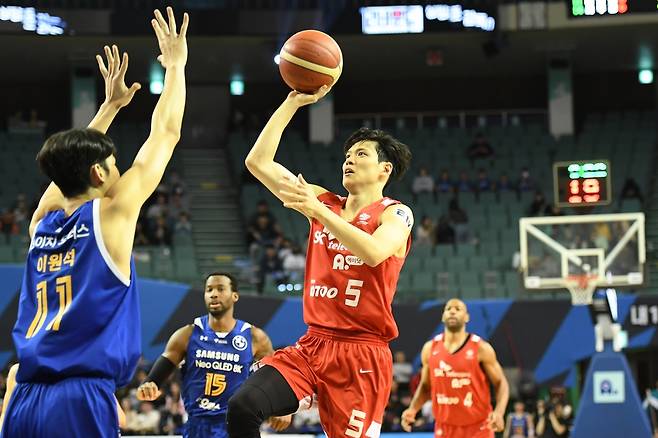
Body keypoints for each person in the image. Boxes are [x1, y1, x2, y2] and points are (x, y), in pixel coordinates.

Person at [1, 8, 188, 438]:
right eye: (113, 162)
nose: (120, 169)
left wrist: (109, 107)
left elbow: (62, 174)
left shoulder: (40, 226)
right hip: (79, 397)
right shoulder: (112, 215)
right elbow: (166, 134)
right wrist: (175, 65)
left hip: (25, 397)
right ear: (99, 175)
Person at [230, 85, 413, 438]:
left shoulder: (396, 213)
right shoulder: (323, 202)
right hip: (313, 345)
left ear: (384, 170)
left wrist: (317, 212)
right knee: (243, 406)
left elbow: (374, 252)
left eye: (360, 154)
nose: (349, 159)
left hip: (362, 355)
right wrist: (291, 102)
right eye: (347, 154)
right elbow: (257, 163)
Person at [136, 273, 291, 437]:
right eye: (209, 289)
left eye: (220, 289)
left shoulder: (254, 337)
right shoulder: (187, 334)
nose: (214, 294)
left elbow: (276, 374)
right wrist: (149, 383)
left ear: (235, 296)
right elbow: (164, 365)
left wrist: (284, 407)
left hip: (238, 424)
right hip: (198, 426)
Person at [401, 299, 509, 438]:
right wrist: (412, 409)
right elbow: (426, 386)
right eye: (448, 309)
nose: (452, 311)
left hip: (478, 427)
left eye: (458, 309)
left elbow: (501, 384)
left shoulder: (481, 348)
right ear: (443, 316)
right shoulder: (430, 348)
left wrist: (499, 412)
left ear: (467, 317)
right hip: (444, 427)